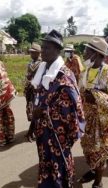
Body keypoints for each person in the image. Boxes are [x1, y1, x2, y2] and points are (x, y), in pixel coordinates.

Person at [27, 30, 85, 188]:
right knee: (45, 161)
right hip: (43, 129)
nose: (43, 51)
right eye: (43, 47)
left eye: (47, 48)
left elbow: (72, 107)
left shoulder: (64, 75)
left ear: (57, 50)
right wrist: (33, 123)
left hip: (58, 133)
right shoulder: (43, 70)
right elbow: (39, 99)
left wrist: (43, 112)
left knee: (59, 163)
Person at [78, 37, 108, 188]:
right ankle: (93, 170)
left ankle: (98, 181)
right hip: (88, 118)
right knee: (89, 148)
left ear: (97, 54)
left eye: (87, 52)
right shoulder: (85, 71)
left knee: (101, 150)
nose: (84, 55)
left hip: (103, 120)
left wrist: (97, 96)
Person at [24, 43, 42, 140]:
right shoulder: (31, 63)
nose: (31, 54)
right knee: (31, 109)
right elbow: (28, 75)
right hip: (30, 90)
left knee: (36, 110)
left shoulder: (42, 63)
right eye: (31, 52)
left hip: (38, 90)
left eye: (33, 52)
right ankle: (34, 129)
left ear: (38, 53)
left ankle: (33, 131)